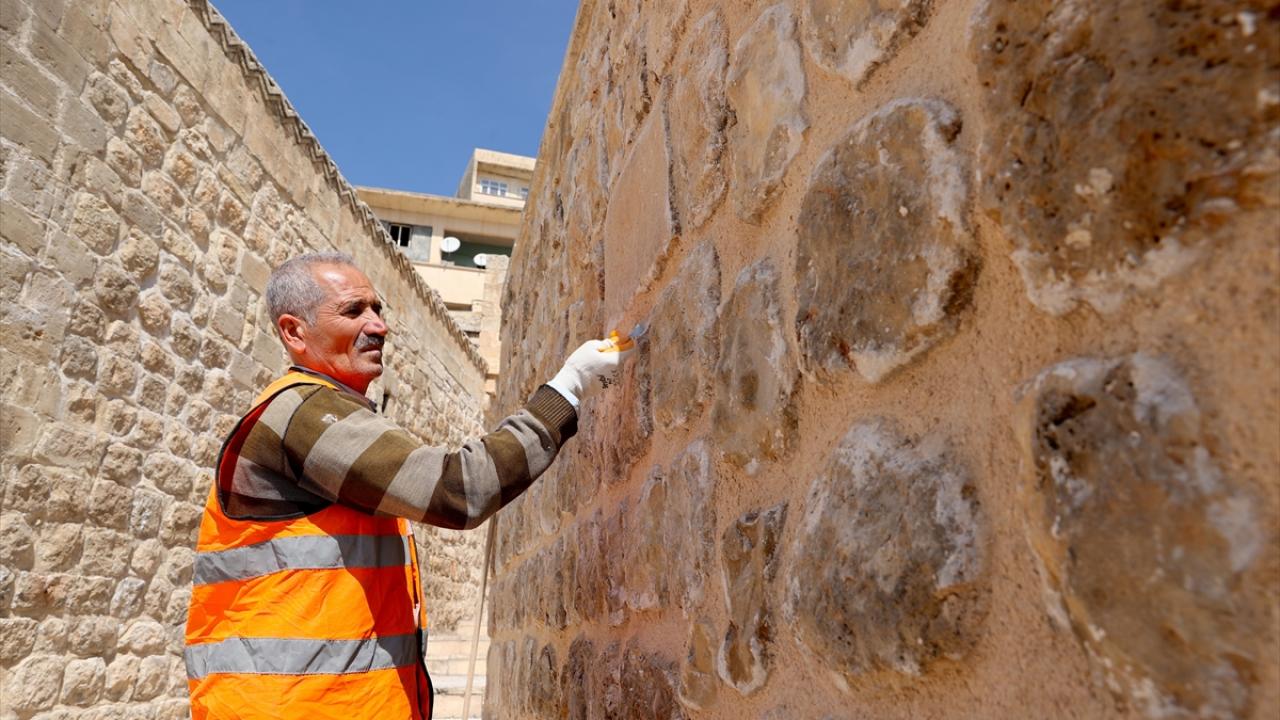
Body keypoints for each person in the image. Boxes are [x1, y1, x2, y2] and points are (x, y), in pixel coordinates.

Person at [183, 252, 631, 720]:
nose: (379, 327)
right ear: (294, 332)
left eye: (378, 309)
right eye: (354, 311)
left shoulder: (321, 411)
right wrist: (568, 386)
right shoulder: (304, 414)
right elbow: (460, 489)